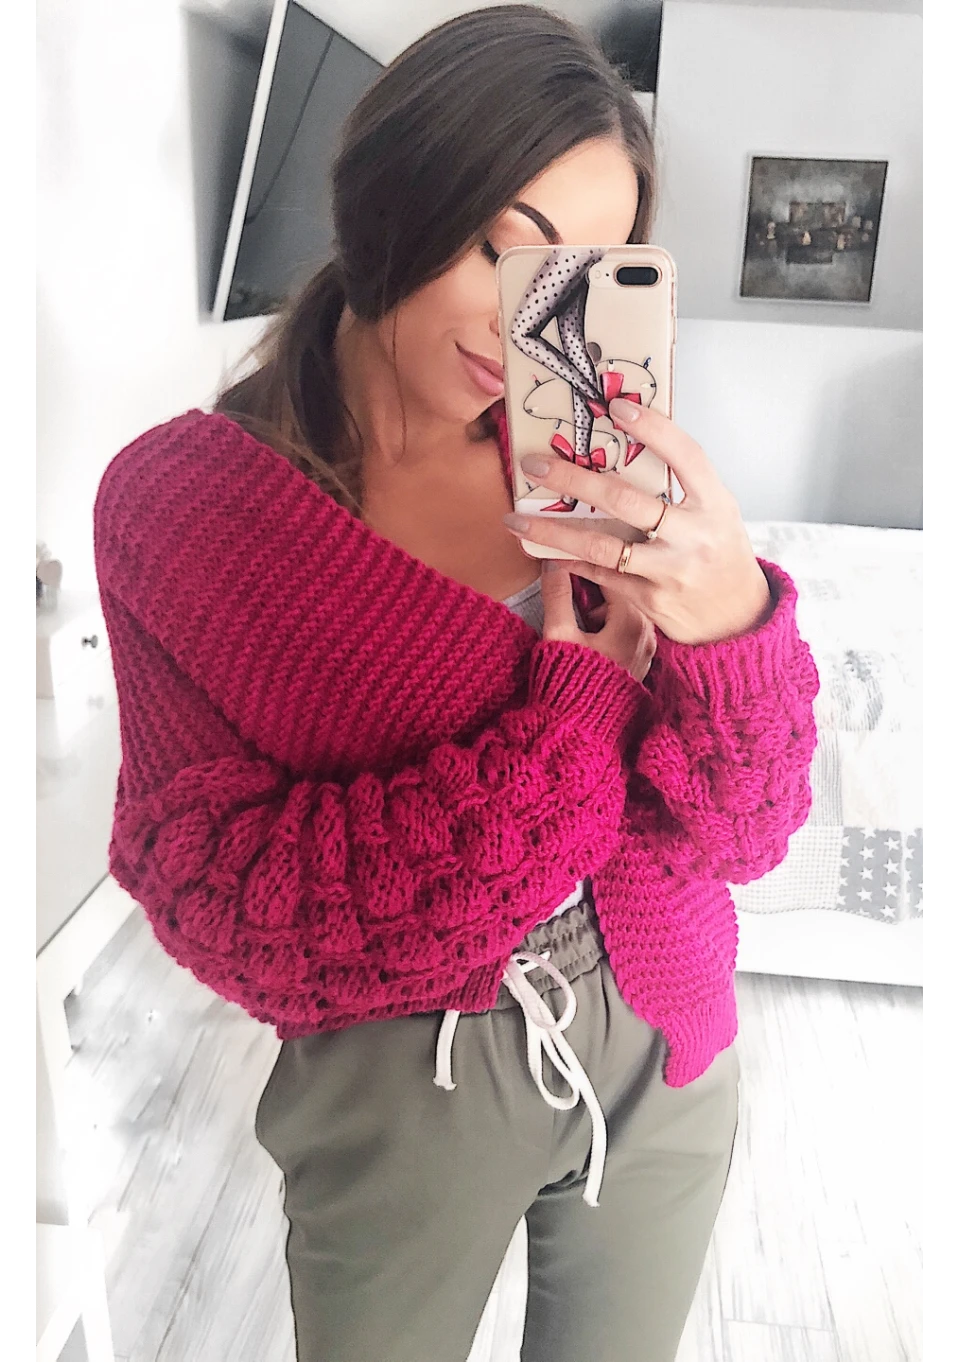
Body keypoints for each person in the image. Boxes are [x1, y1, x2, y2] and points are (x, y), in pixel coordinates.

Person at [92, 7, 819, 1361]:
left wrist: (732, 624)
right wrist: (570, 724)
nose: (527, 320)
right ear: (392, 188)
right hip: (402, 1079)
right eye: (499, 246)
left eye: (574, 276)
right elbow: (226, 896)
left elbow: (749, 830)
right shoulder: (186, 507)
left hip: (665, 1039)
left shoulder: (598, 473)